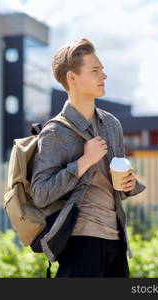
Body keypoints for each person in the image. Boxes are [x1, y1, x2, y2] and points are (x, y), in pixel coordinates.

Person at [30, 38, 146, 277]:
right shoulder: (55, 132)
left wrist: (129, 184)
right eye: (95, 71)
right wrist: (84, 162)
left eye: (102, 70)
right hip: (80, 242)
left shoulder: (111, 124)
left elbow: (113, 184)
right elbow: (40, 194)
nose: (103, 76)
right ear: (72, 77)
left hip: (116, 239)